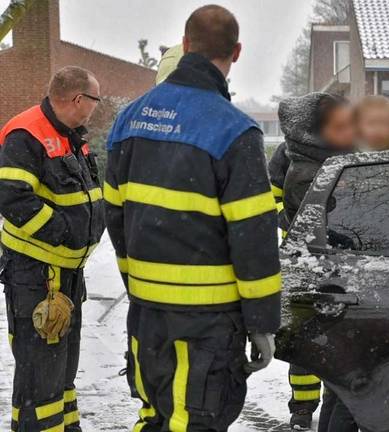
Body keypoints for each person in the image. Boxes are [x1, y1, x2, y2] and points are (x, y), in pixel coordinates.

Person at [103, 6, 280, 431]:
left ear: (184, 45)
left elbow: (115, 215)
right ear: (236, 52)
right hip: (206, 323)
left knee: (157, 415)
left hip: (147, 315)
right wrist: (262, 323)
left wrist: (137, 284)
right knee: (195, 421)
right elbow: (254, 238)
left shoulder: (130, 119)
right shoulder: (234, 131)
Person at [0, 66, 104, 432]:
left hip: (67, 273)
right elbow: (11, 197)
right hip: (38, 275)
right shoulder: (26, 134)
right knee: (40, 373)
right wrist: (62, 231)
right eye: (95, 100)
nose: (96, 108)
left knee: (61, 370)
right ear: (78, 99)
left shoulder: (70, 135)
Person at [277, 92, 356, 431]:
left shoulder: (342, 155)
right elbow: (278, 200)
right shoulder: (302, 165)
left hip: (335, 262)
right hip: (312, 264)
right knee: (310, 344)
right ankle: (303, 407)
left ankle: (323, 404)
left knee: (325, 343)